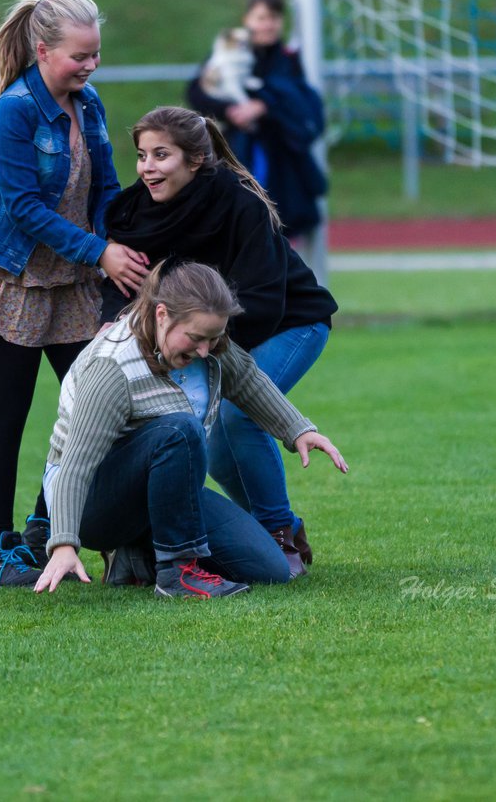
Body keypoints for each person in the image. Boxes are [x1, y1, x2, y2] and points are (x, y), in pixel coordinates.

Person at [0, 0, 149, 587]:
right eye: (80, 56)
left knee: (97, 407)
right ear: (43, 49)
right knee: (9, 413)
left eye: (96, 55)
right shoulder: (15, 109)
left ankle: (44, 527)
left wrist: (120, 244)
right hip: (17, 277)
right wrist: (98, 251)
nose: (90, 66)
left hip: (75, 278)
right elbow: (23, 207)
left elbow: (106, 185)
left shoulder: (91, 102)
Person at [102, 106, 339, 578]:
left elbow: (265, 301)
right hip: (206, 340)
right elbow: (122, 300)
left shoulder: (238, 203)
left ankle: (278, 535)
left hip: (289, 322)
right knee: (203, 430)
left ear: (194, 160)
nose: (148, 167)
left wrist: (202, 357)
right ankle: (272, 526)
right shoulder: (130, 213)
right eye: (142, 155)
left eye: (161, 155)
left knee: (235, 414)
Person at [34, 260, 348, 597]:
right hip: (90, 505)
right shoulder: (112, 368)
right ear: (161, 315)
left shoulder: (209, 346)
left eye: (212, 338)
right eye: (197, 338)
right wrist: (64, 543)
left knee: (269, 568)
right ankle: (177, 573)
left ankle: (139, 556)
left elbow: (248, 381)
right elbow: (75, 465)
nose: (204, 350)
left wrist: (297, 429)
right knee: (179, 430)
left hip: (160, 492)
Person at [186, 0, 328, 241]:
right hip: (238, 151)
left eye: (273, 18)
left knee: (281, 227)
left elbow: (299, 101)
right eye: (261, 18)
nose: (267, 25)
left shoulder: (288, 59)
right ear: (247, 20)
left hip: (281, 158)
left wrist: (264, 106)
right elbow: (198, 91)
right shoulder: (228, 53)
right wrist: (231, 111)